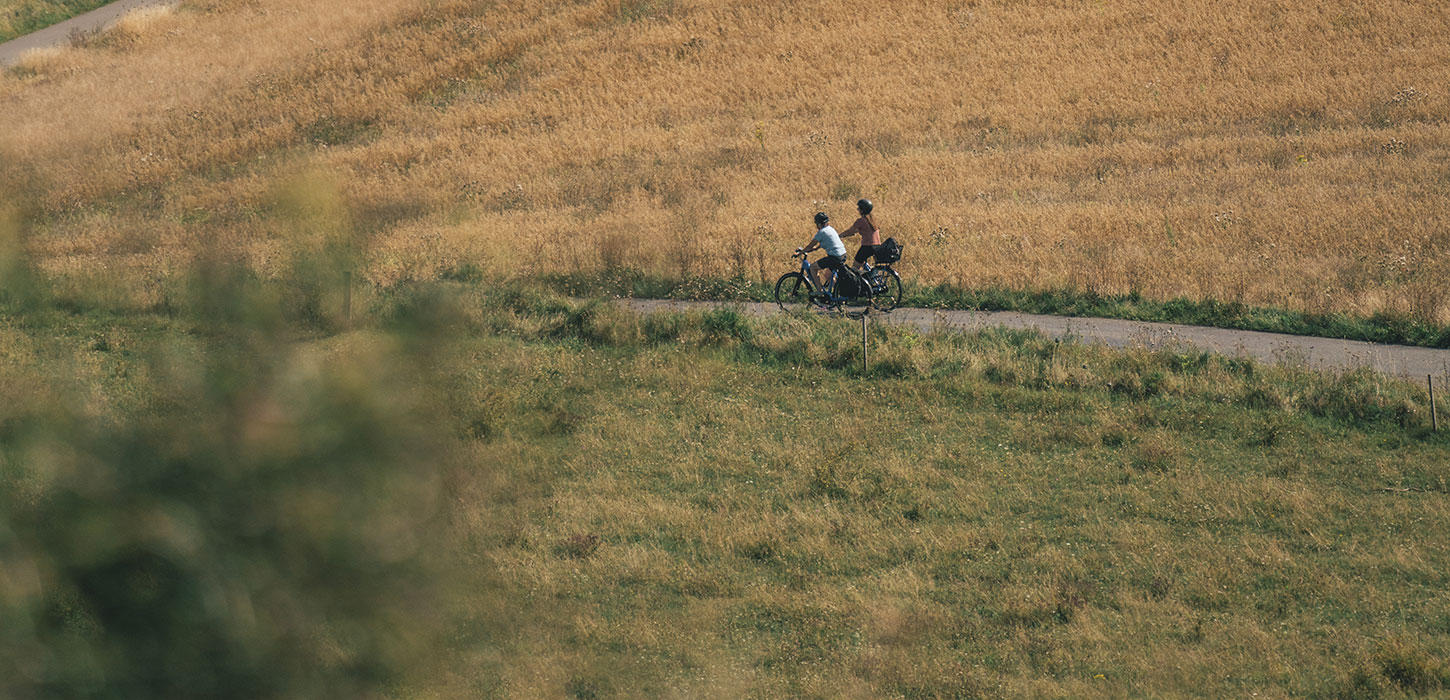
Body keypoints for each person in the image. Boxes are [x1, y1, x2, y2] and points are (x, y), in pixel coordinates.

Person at [798, 211, 846, 297]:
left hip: (834, 258)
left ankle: (819, 291)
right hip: (842, 255)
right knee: (828, 275)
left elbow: (810, 245)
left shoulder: (821, 232)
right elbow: (826, 242)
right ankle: (838, 295)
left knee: (813, 268)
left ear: (819, 224)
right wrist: (815, 249)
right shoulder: (831, 229)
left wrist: (800, 253)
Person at [837, 198, 882, 271]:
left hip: (867, 247)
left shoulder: (861, 221)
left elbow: (849, 231)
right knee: (863, 265)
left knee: (855, 268)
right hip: (877, 246)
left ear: (862, 210)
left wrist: (839, 236)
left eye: (859, 208)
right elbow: (859, 230)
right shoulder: (873, 221)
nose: (858, 210)